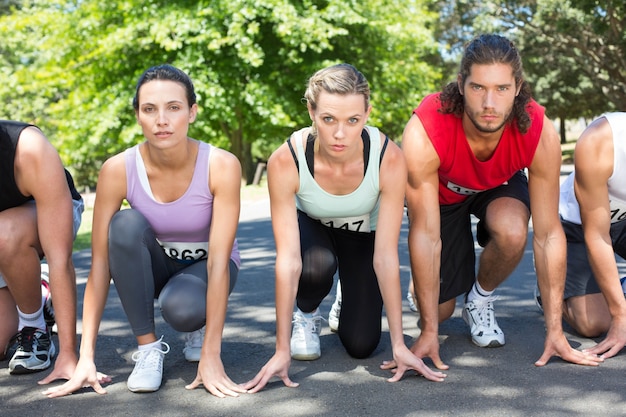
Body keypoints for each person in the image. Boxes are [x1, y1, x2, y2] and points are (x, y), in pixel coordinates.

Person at [393, 34, 603, 373]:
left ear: (517, 87)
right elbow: (425, 234)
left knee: (512, 229)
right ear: (461, 84)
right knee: (439, 311)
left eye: (502, 89)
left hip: (497, 185)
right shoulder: (426, 127)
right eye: (478, 87)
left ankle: (481, 298)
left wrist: (556, 332)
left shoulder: (537, 128)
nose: (490, 102)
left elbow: (548, 234)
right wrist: (430, 330)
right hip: (444, 198)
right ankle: (423, 293)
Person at [44, 64, 246, 398]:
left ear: (192, 112)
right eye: (149, 109)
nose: (161, 120)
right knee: (123, 224)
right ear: (138, 116)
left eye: (174, 108)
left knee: (181, 309)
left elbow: (218, 263)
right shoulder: (117, 169)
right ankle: (149, 348)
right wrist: (85, 358)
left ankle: (199, 327)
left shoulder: (221, 165)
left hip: (210, 268)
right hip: (156, 267)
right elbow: (100, 268)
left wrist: (212, 355)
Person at [244, 63, 446, 393]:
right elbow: (288, 261)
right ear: (311, 111)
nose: (341, 134)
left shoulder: (388, 158)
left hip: (362, 237)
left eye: (353, 120)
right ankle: (306, 315)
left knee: (362, 344)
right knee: (316, 265)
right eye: (329, 119)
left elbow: (385, 257)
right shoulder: (287, 159)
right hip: (312, 234)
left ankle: (345, 294)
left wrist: (399, 344)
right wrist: (281, 350)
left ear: (367, 113)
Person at [0, 120, 83, 380]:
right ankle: (39, 293)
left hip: (45, 218)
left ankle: (34, 327)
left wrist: (69, 354)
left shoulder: (29, 149)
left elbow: (60, 257)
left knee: (5, 232)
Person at [558, 112, 626, 358]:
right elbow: (597, 236)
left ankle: (620, 289)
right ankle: (551, 287)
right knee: (592, 323)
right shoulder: (601, 140)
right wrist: (620, 316)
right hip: (579, 225)